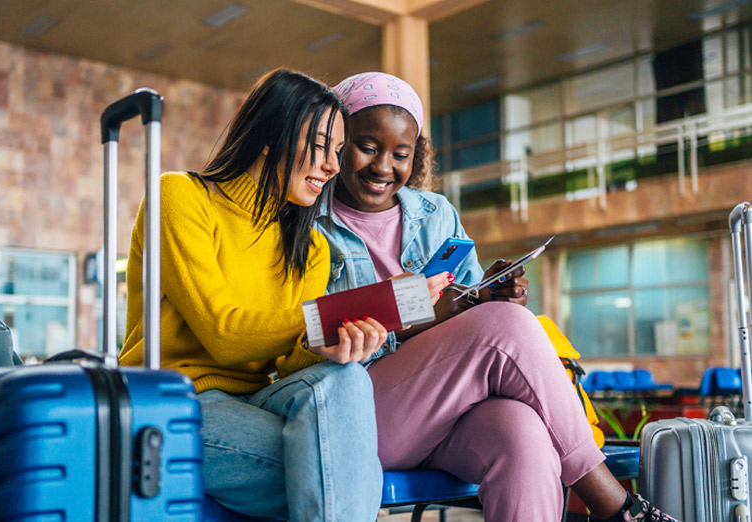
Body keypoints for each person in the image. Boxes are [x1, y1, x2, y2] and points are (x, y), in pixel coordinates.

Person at [313, 71, 678, 522]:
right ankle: (618, 507)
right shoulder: (308, 218)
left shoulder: (436, 213)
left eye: (400, 154)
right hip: (358, 411)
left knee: (522, 436)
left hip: (445, 413)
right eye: (367, 147)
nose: (383, 166)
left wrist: (491, 294)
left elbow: (470, 308)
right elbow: (314, 327)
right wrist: (424, 311)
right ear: (336, 143)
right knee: (504, 328)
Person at [119, 69, 387, 522]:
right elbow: (223, 332)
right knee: (341, 469)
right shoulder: (180, 198)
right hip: (173, 399)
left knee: (347, 380)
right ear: (268, 137)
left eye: (338, 152)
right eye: (321, 146)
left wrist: (327, 344)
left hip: (259, 399)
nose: (334, 166)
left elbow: (286, 366)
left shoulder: (313, 247)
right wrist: (315, 321)